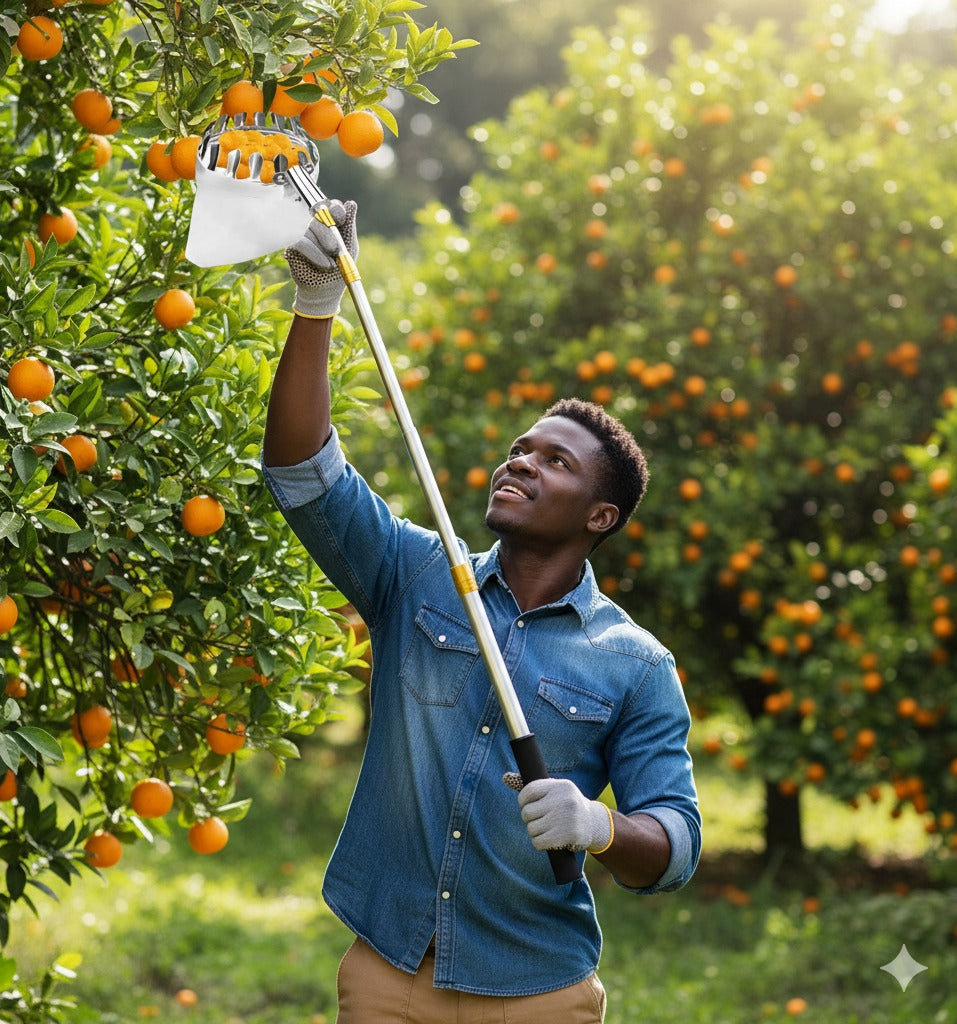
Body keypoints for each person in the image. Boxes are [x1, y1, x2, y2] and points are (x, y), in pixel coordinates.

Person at [262, 200, 701, 1023]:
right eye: (520, 450)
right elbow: (301, 472)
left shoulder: (635, 665)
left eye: (555, 461)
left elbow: (675, 849)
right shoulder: (419, 573)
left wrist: (599, 826)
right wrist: (318, 301)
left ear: (599, 516)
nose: (523, 462)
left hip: (538, 990)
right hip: (390, 972)